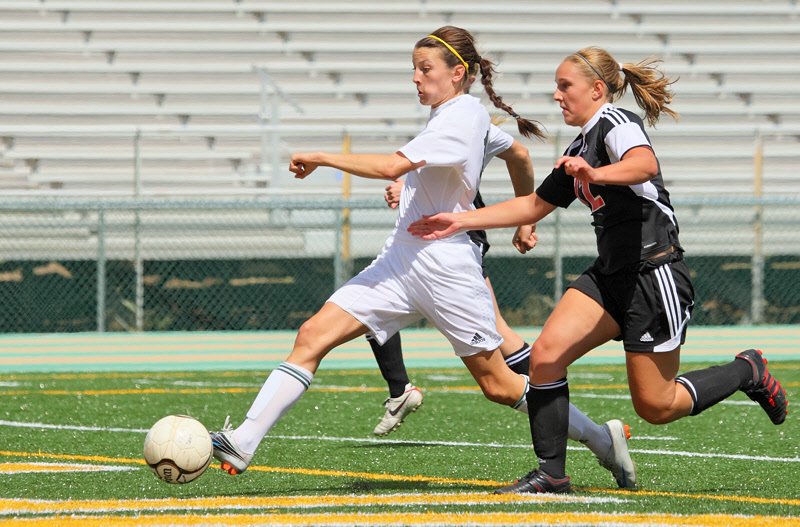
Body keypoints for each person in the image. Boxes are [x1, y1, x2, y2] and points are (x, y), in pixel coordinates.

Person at [407, 46, 788, 494]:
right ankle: (552, 475)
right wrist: (459, 219)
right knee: (546, 356)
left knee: (657, 405)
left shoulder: (615, 123)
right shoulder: (578, 145)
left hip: (654, 272)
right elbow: (533, 204)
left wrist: (595, 173)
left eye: (564, 86)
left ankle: (748, 370)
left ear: (597, 89)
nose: (556, 95)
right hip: (609, 275)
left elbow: (644, 163)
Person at [208, 25, 572, 478]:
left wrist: (322, 157)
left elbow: (389, 165)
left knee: (499, 386)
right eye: (413, 70)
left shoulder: (460, 118)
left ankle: (599, 436)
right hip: (403, 260)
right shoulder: (458, 115)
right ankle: (243, 441)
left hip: (444, 266)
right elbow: (517, 155)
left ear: (458, 73)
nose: (416, 79)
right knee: (312, 335)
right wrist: (523, 218)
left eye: (425, 69)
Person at [370, 176, 637, 489]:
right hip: (426, 249)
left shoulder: (472, 126)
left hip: (449, 253)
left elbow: (515, 154)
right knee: (349, 320)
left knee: (499, 383)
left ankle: (592, 440)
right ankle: (400, 388)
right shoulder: (449, 128)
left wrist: (322, 158)